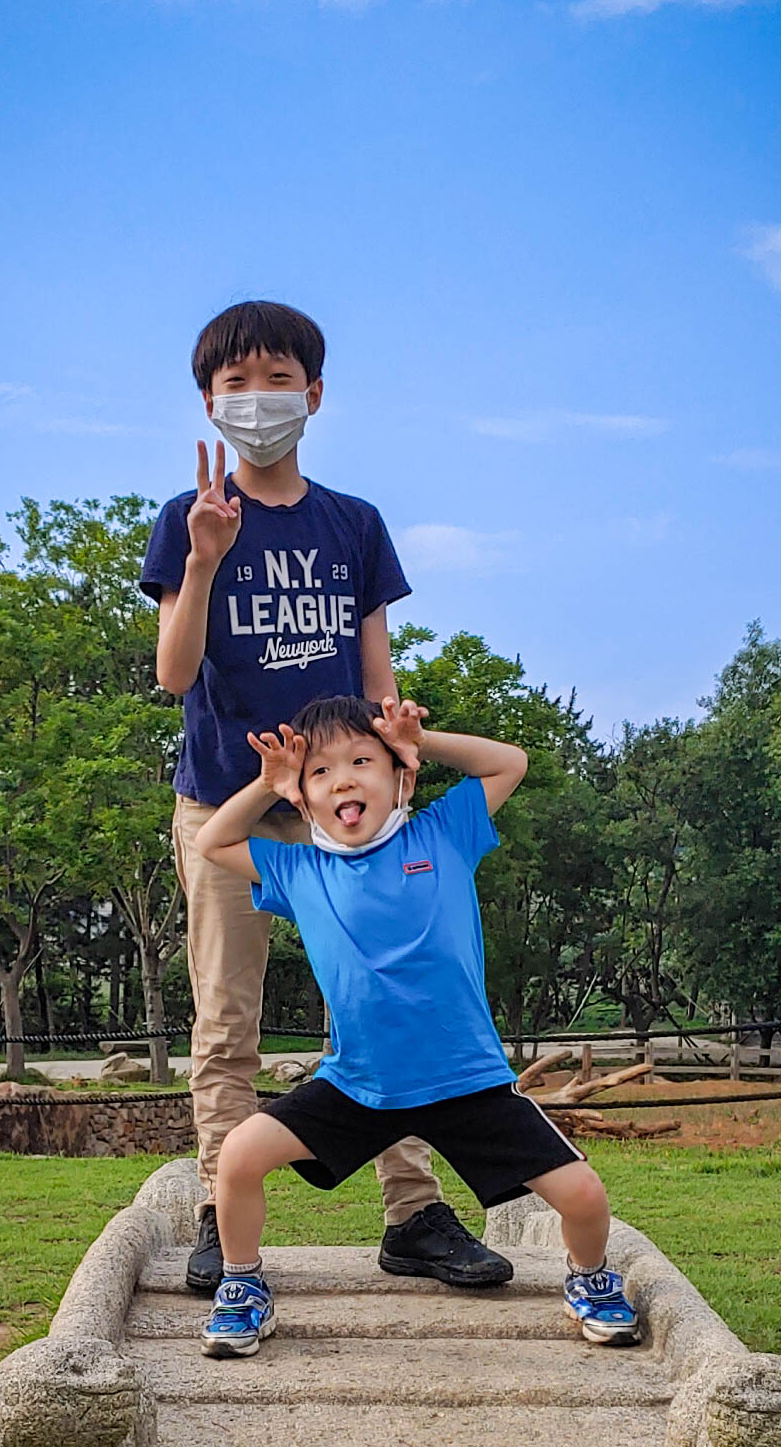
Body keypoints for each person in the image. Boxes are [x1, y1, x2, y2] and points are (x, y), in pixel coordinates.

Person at [140, 300, 510, 1293]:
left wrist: (398, 758)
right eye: (236, 382)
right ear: (208, 402)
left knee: (388, 1002)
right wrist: (206, 560)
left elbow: (378, 681)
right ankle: (222, 1211)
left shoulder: (354, 525)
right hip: (228, 807)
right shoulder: (186, 519)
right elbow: (174, 675)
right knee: (228, 1023)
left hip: (343, 806)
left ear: (313, 393)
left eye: (277, 379)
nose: (257, 399)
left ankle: (414, 1213)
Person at [191, 692, 641, 1358]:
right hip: (359, 1087)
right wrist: (267, 783)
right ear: (304, 800)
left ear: (400, 777)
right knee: (238, 1156)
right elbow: (212, 841)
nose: (342, 780)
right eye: (320, 772)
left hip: (468, 1083)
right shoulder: (299, 868)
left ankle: (590, 1277)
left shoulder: (441, 834)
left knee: (584, 1195)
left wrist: (420, 742)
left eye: (362, 761)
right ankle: (242, 1283)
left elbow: (509, 763)